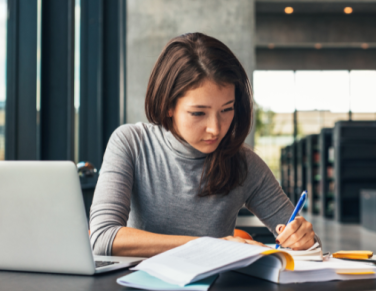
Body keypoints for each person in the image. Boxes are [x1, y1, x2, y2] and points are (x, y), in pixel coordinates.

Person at [90, 33, 317, 258]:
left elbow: (312, 249)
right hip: (139, 290)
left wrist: (305, 240)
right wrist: (211, 245)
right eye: (198, 113)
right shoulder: (132, 143)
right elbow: (103, 237)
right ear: (168, 105)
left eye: (226, 109)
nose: (215, 129)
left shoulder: (245, 163)